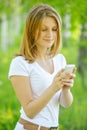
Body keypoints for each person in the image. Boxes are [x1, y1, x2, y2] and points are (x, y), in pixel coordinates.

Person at [8, 3, 76, 130]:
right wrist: (54, 87)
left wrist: (66, 89)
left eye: (54, 29)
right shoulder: (20, 63)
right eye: (44, 29)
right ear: (32, 30)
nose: (50, 34)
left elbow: (65, 104)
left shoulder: (60, 59)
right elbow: (30, 111)